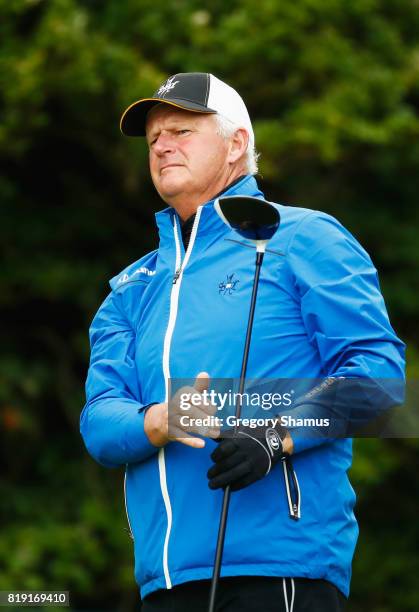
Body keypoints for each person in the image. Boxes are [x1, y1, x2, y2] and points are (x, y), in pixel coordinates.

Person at [80, 73, 405, 611]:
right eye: (154, 138)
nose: (161, 145)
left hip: (280, 569)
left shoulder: (305, 237)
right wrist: (163, 420)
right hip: (163, 582)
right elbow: (100, 423)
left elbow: (380, 380)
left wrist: (274, 434)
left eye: (181, 130)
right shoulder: (129, 289)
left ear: (237, 145)